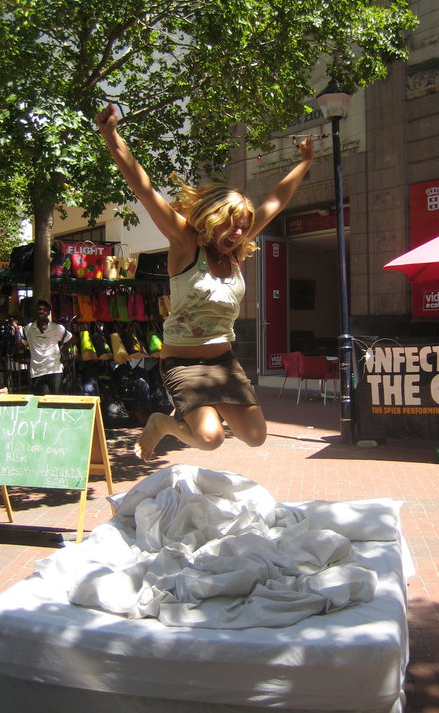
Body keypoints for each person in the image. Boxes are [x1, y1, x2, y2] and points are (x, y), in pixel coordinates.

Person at [96, 103, 314, 462]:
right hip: (182, 363)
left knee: (256, 436)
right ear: (212, 219)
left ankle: (195, 412)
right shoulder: (185, 244)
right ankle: (163, 423)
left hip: (223, 362)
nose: (239, 232)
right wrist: (112, 137)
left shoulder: (235, 251)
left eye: (244, 226)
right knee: (210, 439)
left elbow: (275, 202)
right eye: (231, 224)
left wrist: (304, 163)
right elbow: (145, 191)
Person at [13, 300, 72, 395]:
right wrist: (16, 328)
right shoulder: (28, 329)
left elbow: (69, 339)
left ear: (48, 313)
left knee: (55, 400)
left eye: (45, 310)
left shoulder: (57, 328)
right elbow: (21, 344)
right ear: (35, 311)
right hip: (37, 372)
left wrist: (61, 352)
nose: (41, 311)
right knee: (41, 400)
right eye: (39, 309)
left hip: (55, 370)